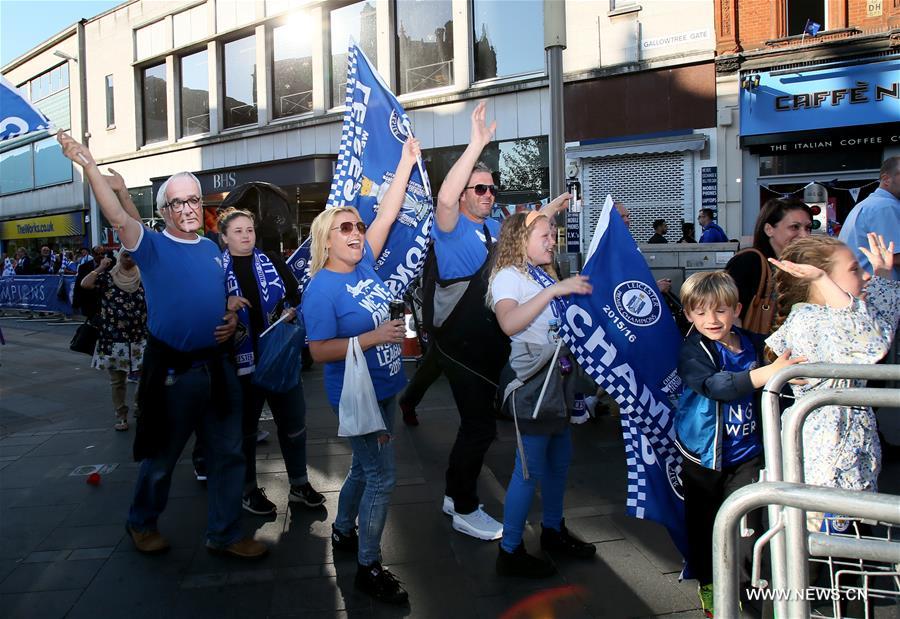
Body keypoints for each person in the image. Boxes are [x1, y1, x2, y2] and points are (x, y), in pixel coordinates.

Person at [57, 130, 266, 560]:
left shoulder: (211, 248)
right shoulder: (151, 246)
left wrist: (227, 316)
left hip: (217, 368)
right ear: (165, 210)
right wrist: (90, 166)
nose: (188, 208)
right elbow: (118, 217)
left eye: (194, 200)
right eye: (178, 202)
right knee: (162, 457)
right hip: (174, 374)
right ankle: (141, 523)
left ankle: (225, 533)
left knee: (229, 453)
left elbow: (210, 294)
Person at [427, 101, 572, 541]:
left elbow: (523, 238)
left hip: (487, 347)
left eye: (492, 189)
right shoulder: (450, 227)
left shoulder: (492, 230)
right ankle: (464, 507)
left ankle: (455, 494)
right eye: (480, 189)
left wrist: (548, 211)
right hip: (461, 347)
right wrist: (475, 145)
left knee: (478, 427)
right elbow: (445, 197)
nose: (488, 195)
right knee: (479, 427)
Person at [302, 138, 420, 605]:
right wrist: (369, 339)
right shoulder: (322, 290)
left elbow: (387, 214)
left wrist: (407, 163)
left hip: (387, 387)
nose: (357, 231)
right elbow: (317, 351)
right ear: (327, 239)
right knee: (382, 476)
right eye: (346, 227)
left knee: (363, 466)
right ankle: (368, 567)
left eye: (358, 225)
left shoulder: (363, 261)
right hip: (358, 395)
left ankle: (344, 530)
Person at [675, 271, 803, 617]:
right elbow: (716, 386)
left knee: (748, 533)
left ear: (737, 309)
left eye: (720, 311)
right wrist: (770, 372)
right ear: (688, 314)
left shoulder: (753, 343)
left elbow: (784, 363)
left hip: (747, 455)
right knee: (704, 529)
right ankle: (710, 584)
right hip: (703, 456)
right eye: (700, 312)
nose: (711, 320)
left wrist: (792, 370)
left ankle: (746, 599)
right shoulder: (692, 351)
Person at [490, 210, 596, 578]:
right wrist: (554, 289)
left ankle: (553, 530)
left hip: (558, 380)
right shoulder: (509, 276)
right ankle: (510, 550)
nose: (553, 241)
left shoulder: (540, 273)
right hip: (534, 383)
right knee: (529, 470)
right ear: (522, 241)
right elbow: (508, 323)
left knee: (558, 462)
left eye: (553, 235)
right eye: (545, 237)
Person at [766, 234, 899, 498]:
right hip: (827, 466)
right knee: (829, 536)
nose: (866, 276)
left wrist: (883, 272)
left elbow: (878, 325)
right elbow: (873, 342)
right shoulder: (811, 322)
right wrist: (822, 280)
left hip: (848, 456)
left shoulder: (835, 317)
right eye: (854, 269)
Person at [217, 207, 325, 516]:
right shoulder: (215, 272)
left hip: (279, 357)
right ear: (224, 237)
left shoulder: (273, 262)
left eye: (249, 230)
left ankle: (300, 484)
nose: (245, 236)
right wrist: (222, 303)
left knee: (293, 423)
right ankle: (248, 490)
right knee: (245, 431)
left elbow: (296, 295)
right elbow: (201, 309)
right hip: (240, 365)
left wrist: (292, 312)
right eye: (237, 231)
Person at [80, 250, 147, 431]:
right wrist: (101, 267)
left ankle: (139, 406)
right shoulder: (108, 278)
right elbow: (85, 284)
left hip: (139, 337)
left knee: (144, 376)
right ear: (119, 257)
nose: (130, 258)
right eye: (125, 255)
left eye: (133, 255)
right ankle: (121, 414)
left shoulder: (144, 277)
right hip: (113, 338)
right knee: (118, 381)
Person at [725, 199, 812, 334]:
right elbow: (727, 313)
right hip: (760, 349)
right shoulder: (749, 262)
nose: (804, 235)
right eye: (795, 227)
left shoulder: (807, 266)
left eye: (808, 228)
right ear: (769, 229)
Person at [839, 156, 900, 280]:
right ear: (886, 179)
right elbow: (894, 256)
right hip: (876, 292)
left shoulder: (869, 204)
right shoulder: (885, 206)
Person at [73, 246, 107, 319]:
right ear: (93, 254)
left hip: (106, 301)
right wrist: (76, 302)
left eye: (102, 254)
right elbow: (78, 285)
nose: (100, 256)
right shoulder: (84, 267)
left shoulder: (110, 265)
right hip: (90, 301)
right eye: (97, 254)